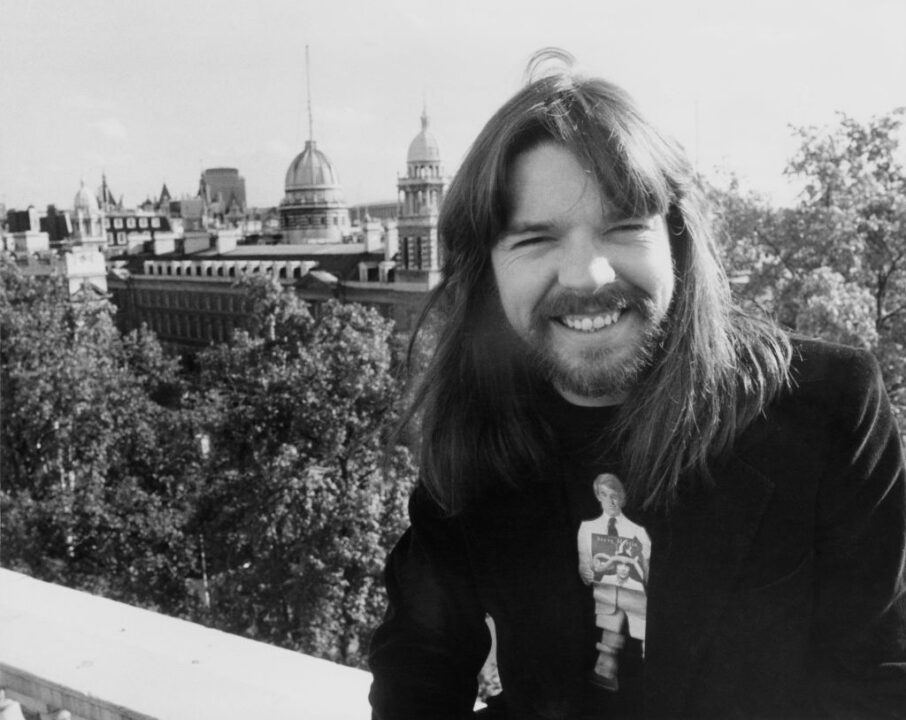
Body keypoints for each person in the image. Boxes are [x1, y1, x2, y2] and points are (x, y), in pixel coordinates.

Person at [368, 48, 906, 719]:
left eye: (623, 227)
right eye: (536, 239)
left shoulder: (827, 406)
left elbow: (876, 680)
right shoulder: (479, 431)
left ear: (675, 242)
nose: (586, 275)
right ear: (488, 272)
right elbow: (419, 661)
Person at [577, 474, 650, 691]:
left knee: (644, 637)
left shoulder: (638, 532)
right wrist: (587, 572)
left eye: (615, 496)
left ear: (623, 498)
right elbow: (585, 564)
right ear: (598, 496)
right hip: (606, 593)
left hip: (636, 596)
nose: (610, 501)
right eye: (604, 495)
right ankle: (604, 672)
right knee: (608, 638)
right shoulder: (587, 529)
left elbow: (648, 567)